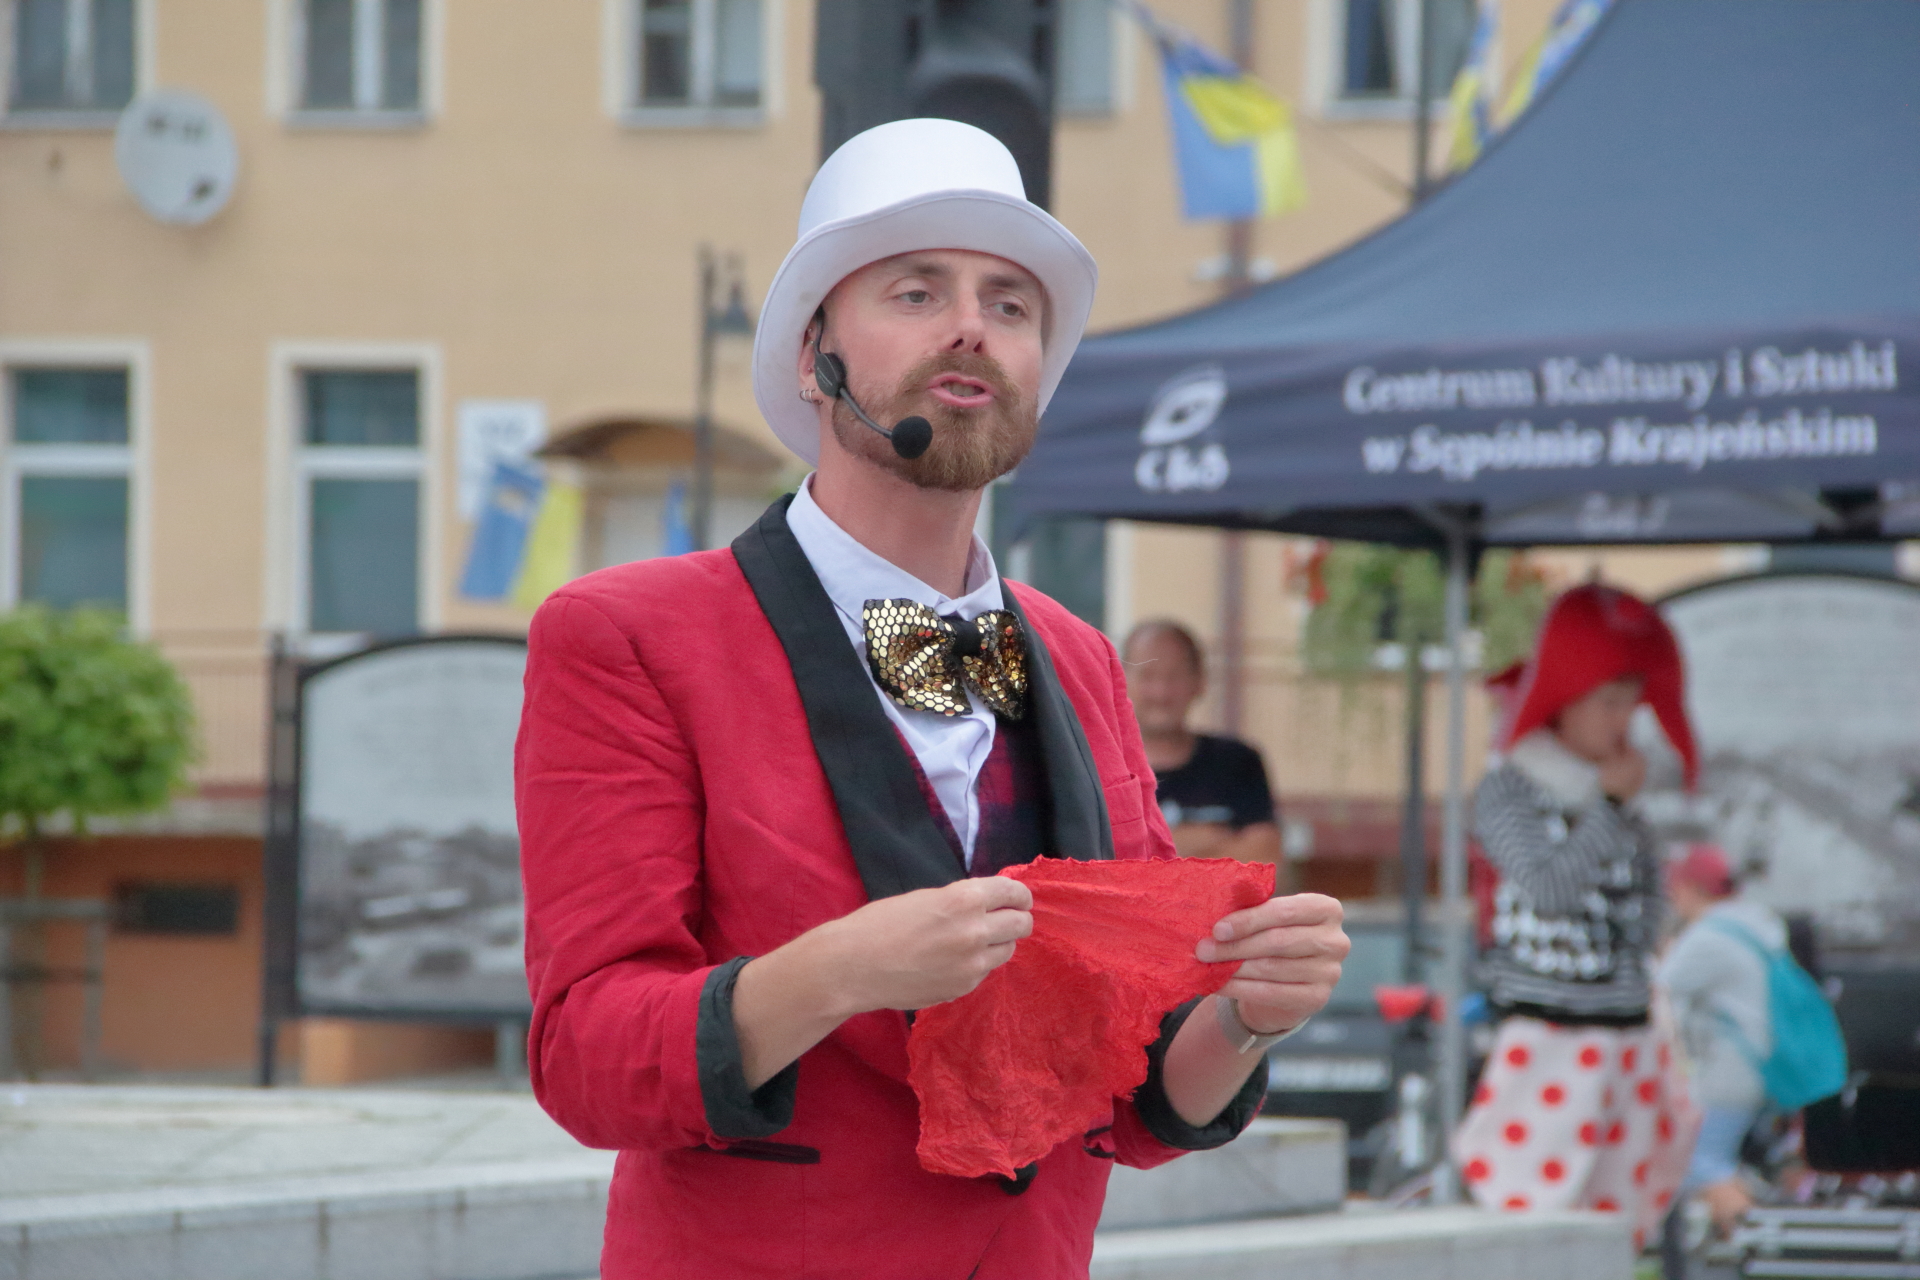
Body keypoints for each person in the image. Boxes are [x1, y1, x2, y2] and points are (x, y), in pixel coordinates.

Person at [514, 119, 1349, 1280]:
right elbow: (586, 1057)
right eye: (915, 290)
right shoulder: (628, 635)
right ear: (813, 355)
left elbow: (1141, 1092)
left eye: (1011, 304)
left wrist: (1250, 1013)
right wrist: (836, 970)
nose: (971, 324)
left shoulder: (1080, 659)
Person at [1453, 583, 1701, 1252]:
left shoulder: (1619, 800)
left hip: (1627, 1031)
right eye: (1609, 703)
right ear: (1565, 700)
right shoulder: (1509, 790)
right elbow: (1548, 890)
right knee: (1533, 1213)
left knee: (1612, 1226)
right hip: (1550, 1033)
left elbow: (1650, 907)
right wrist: (1609, 809)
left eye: (1631, 704)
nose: (1624, 722)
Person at [1658, 843, 1784, 1234]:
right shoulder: (1757, 923)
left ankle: (1756, 1241)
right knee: (1715, 1162)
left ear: (1691, 889)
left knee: (1702, 1164)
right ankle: (1749, 1238)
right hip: (1760, 1065)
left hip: (1728, 1070)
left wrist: (1666, 951)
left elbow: (1658, 988)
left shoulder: (1709, 937)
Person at [1123, 619, 1281, 864]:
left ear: (1199, 682)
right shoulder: (1100, 768)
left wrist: (1146, 849)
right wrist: (1210, 839)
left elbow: (1264, 855)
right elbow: (1099, 861)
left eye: (1174, 676)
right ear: (1121, 681)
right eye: (1147, 676)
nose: (1160, 692)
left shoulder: (1237, 762)